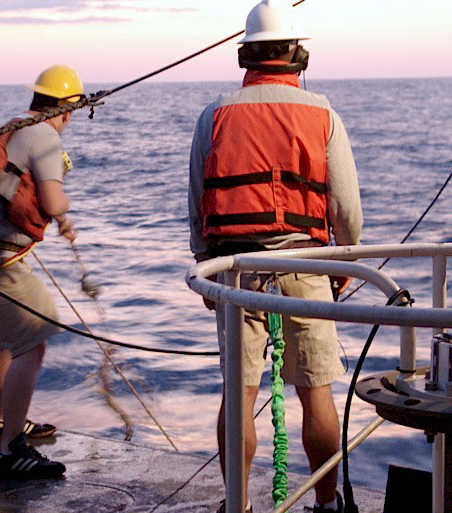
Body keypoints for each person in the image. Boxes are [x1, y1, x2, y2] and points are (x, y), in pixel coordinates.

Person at [188, 1, 362, 512]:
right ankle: (326, 505)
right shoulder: (322, 112)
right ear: (298, 53)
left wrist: (207, 261)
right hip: (308, 267)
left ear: (244, 55)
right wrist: (344, 265)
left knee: (238, 395)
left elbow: (198, 198)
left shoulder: (213, 115)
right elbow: (346, 208)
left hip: (236, 272)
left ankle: (236, 504)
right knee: (316, 392)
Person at [0, 64, 85, 478]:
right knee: (35, 336)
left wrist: (52, 214)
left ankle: (4, 425)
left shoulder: (19, 129)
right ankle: (11, 448)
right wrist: (63, 211)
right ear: (65, 108)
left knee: (13, 337)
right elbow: (51, 201)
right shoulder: (45, 134)